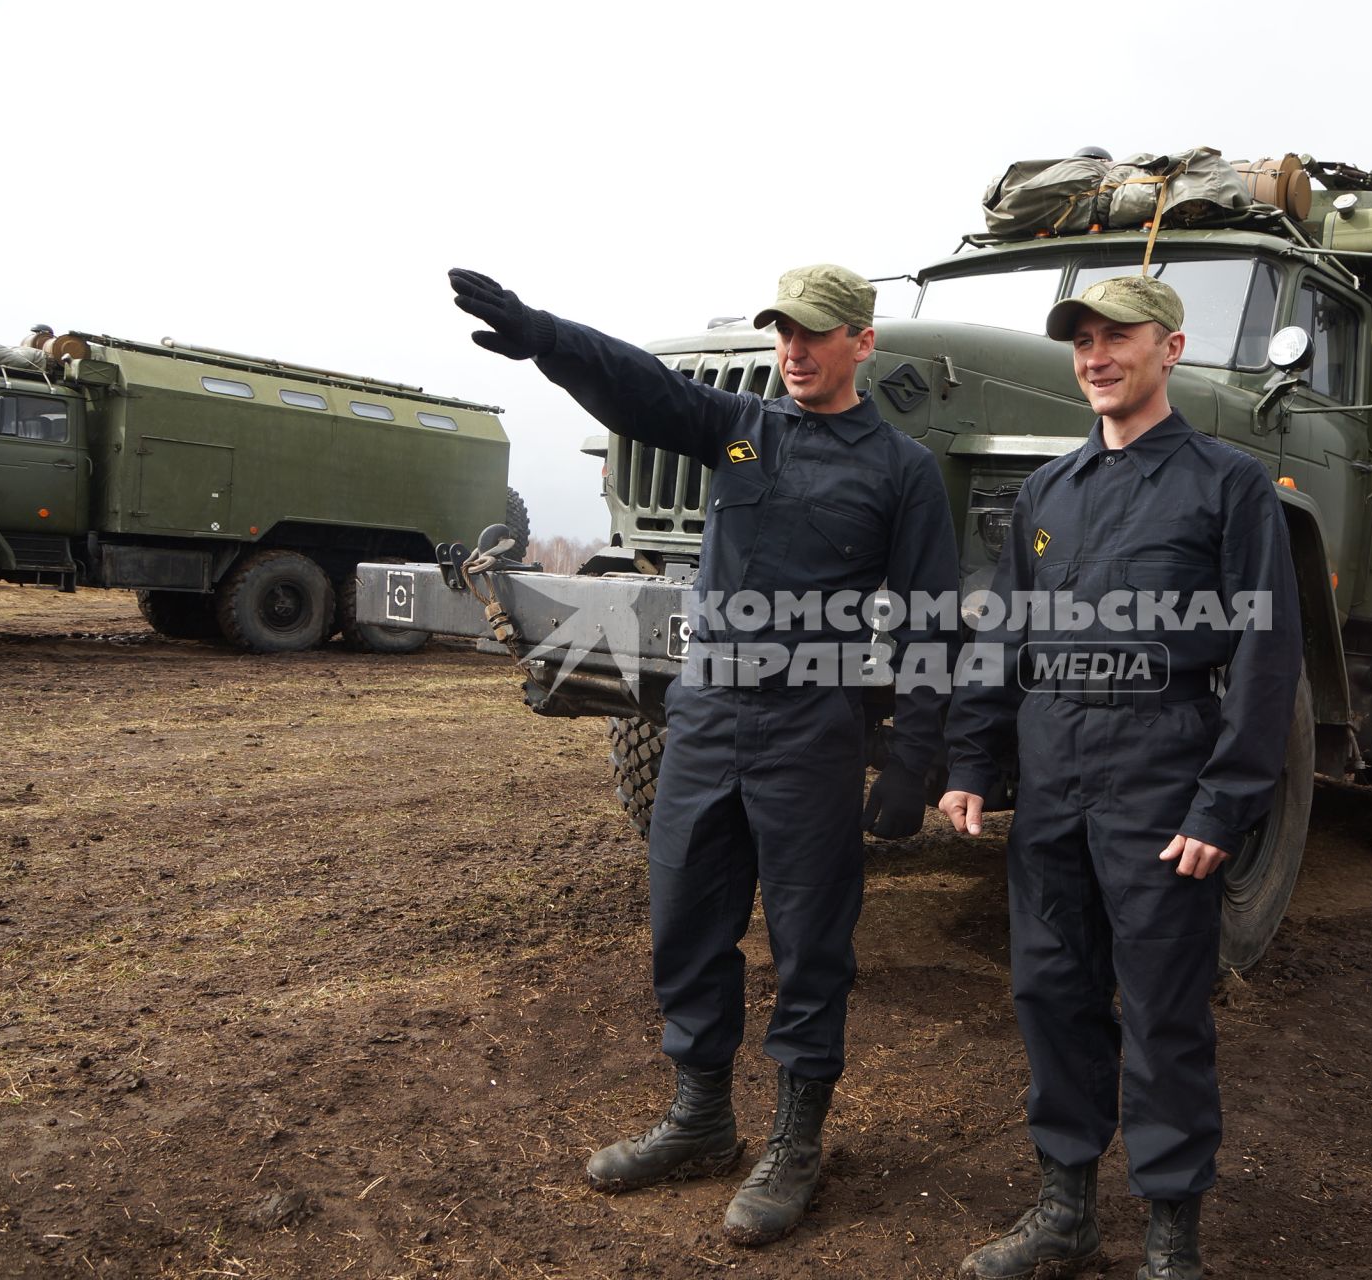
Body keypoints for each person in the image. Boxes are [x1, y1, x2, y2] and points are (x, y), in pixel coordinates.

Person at [448, 264, 957, 1246]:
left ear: (862, 341)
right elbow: (640, 387)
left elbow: (932, 623)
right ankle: (700, 1116)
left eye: (814, 334)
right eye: (784, 333)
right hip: (706, 718)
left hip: (810, 728)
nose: (794, 350)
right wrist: (544, 336)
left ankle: (796, 1142)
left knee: (810, 944)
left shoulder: (899, 469)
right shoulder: (739, 430)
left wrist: (910, 762)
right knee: (685, 921)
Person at [940, 275, 1301, 1280]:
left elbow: (1265, 660)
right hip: (1053, 766)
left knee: (1160, 1008)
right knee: (1049, 990)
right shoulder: (1049, 491)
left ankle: (1169, 1235)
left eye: (1118, 337)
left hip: (1159, 762)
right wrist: (973, 756)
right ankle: (1064, 1206)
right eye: (1082, 340)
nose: (1097, 355)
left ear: (1170, 348)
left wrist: (1225, 801)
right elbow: (1002, 630)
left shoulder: (1227, 483)